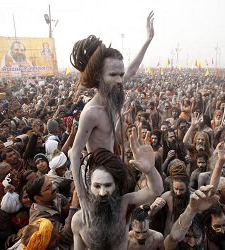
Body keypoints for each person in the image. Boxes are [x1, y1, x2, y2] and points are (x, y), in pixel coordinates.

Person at [69, 11, 155, 206]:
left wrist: (148, 39)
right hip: (99, 180)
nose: (119, 80)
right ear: (100, 76)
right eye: (114, 75)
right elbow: (74, 153)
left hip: (114, 168)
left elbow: (133, 68)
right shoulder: (91, 113)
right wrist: (82, 196)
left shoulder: (112, 95)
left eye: (121, 75)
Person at [70, 126, 163, 249]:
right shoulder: (79, 220)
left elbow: (155, 190)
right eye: (97, 186)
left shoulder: (125, 205)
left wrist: (150, 170)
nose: (102, 192)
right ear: (89, 186)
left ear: (116, 185)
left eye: (108, 185)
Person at [25, 176, 75, 250]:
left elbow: (66, 205)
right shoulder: (41, 220)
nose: (53, 188)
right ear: (38, 198)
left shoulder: (56, 197)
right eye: (48, 188)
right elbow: (66, 238)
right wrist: (73, 208)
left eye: (51, 184)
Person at [164, 185, 219, 250]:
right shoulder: (174, 245)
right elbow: (174, 237)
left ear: (204, 235)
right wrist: (191, 210)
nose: (192, 243)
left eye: (196, 237)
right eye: (187, 236)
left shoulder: (210, 245)